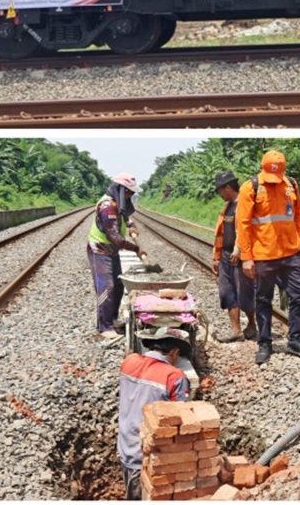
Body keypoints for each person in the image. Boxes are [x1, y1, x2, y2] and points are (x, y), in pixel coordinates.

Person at [235, 150, 300, 364]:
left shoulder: (291, 184)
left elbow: (299, 214)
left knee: (299, 296)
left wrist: (299, 239)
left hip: (291, 254)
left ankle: (295, 340)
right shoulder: (250, 187)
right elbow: (243, 225)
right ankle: (265, 343)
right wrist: (247, 257)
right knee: (263, 299)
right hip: (263, 255)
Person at [117, 327, 192, 500]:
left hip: (125, 446)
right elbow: (180, 422)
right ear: (174, 352)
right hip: (147, 457)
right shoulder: (174, 377)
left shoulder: (129, 361)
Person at [87, 173, 144, 338]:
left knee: (118, 286)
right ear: (121, 190)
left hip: (111, 251)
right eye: (129, 192)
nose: (131, 195)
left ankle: (112, 319)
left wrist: (131, 225)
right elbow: (114, 237)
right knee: (107, 287)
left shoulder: (117, 202)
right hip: (99, 250)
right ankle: (104, 327)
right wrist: (136, 249)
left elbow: (124, 215)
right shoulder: (107, 206)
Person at [212, 170, 257, 342]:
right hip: (225, 256)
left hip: (241, 257)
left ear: (228, 187)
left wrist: (239, 249)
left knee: (245, 293)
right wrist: (216, 257)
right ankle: (236, 330)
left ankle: (251, 324)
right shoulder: (227, 208)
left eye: (220, 190)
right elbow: (221, 234)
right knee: (227, 293)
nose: (220, 194)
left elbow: (246, 229)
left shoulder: (243, 204)